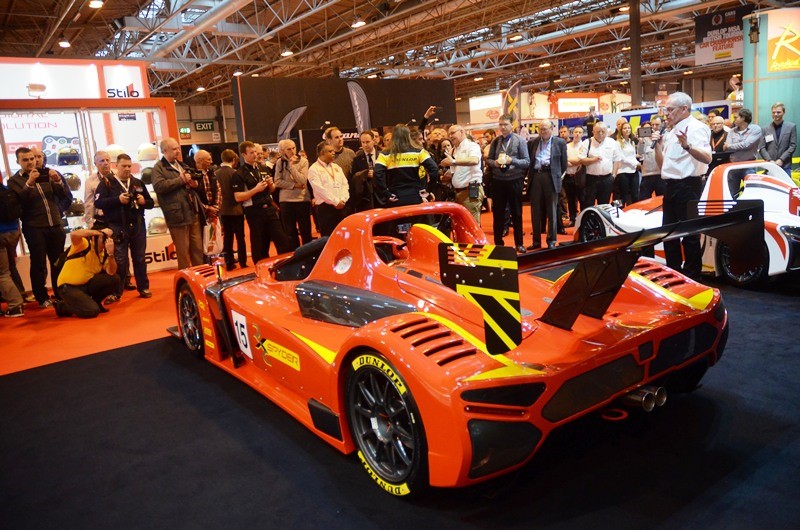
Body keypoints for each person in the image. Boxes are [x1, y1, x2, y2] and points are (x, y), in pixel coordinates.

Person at [652, 91, 711, 281]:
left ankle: (693, 277)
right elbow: (663, 165)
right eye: (665, 110)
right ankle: (674, 274)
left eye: (670, 110)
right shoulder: (670, 132)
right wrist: (657, 146)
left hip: (688, 186)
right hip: (670, 186)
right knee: (669, 234)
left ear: (684, 109)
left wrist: (687, 146)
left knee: (690, 235)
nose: (666, 114)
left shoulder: (697, 128)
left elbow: (707, 158)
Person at [7, 147, 68, 308]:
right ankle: (41, 297)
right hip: (34, 227)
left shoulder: (46, 173)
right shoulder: (14, 181)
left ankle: (60, 294)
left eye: (32, 159)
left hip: (55, 224)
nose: (30, 162)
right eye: (25, 160)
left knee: (58, 262)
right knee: (38, 263)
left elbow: (63, 195)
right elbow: (19, 203)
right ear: (18, 162)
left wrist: (58, 181)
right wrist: (29, 184)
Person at [95, 153, 154, 301]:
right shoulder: (107, 183)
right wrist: (117, 200)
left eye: (129, 166)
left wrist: (143, 202)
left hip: (137, 225)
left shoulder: (137, 183)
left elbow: (151, 203)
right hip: (117, 226)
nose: (127, 169)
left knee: (140, 258)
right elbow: (98, 203)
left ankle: (143, 287)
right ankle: (116, 292)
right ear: (116, 166)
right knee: (120, 261)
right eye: (124, 166)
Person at [232, 141, 292, 263]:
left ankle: (286, 266)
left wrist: (270, 184)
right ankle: (261, 268)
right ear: (244, 155)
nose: (255, 155)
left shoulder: (263, 168)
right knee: (259, 245)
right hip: (254, 211)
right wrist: (255, 189)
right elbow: (238, 197)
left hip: (269, 208)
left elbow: (272, 189)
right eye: (251, 153)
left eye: (256, 152)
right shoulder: (239, 173)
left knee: (282, 240)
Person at [150, 137, 205, 269]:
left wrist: (194, 184)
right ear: (164, 151)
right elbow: (159, 187)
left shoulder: (182, 165)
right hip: (177, 216)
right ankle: (185, 279)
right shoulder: (158, 168)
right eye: (174, 149)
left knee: (197, 250)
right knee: (183, 253)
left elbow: (193, 183)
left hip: (192, 211)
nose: (178, 151)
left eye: (178, 148)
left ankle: (200, 275)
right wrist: (180, 180)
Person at [487, 115, 530, 252]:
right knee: (498, 214)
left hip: (514, 180)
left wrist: (512, 161)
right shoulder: (495, 141)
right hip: (498, 181)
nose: (502, 127)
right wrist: (495, 163)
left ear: (512, 125)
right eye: (500, 124)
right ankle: (498, 243)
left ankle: (519, 243)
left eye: (505, 124)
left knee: (517, 213)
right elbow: (489, 160)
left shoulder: (520, 141)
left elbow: (526, 162)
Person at [55, 228, 120, 318]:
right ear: (93, 238)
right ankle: (62, 306)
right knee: (92, 311)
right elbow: (74, 234)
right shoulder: (84, 244)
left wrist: (111, 255)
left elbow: (111, 272)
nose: (106, 240)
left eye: (108, 238)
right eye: (104, 238)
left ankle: (96, 302)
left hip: (86, 285)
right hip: (68, 287)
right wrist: (99, 232)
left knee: (114, 279)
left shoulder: (104, 254)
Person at [527, 121, 568, 249]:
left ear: (551, 129)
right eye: (540, 129)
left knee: (552, 211)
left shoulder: (560, 143)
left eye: (545, 129)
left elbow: (564, 164)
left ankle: (551, 241)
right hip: (536, 176)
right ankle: (536, 241)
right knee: (535, 211)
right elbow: (529, 161)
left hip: (551, 177)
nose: (543, 131)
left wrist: (556, 175)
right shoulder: (532, 143)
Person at [440, 124, 483, 223]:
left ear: (462, 132)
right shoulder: (455, 149)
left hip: (471, 189)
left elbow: (474, 160)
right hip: (458, 192)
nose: (450, 136)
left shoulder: (472, 146)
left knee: (471, 223)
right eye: (449, 134)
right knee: (462, 224)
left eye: (453, 133)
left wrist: (453, 162)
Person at [273, 139, 312, 249]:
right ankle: (294, 255)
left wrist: (291, 167)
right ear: (282, 151)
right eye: (289, 149)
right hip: (286, 201)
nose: (292, 151)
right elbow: (277, 182)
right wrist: (294, 185)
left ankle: (308, 254)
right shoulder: (279, 162)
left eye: (294, 148)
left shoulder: (303, 161)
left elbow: (302, 180)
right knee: (290, 233)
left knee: (306, 231)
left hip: (302, 200)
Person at [307, 142, 349, 236]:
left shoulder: (337, 167)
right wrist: (335, 202)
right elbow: (320, 190)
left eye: (333, 151)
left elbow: (345, 184)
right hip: (326, 208)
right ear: (322, 153)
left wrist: (343, 199)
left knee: (344, 236)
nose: (334, 153)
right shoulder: (314, 169)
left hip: (342, 206)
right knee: (328, 237)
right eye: (330, 151)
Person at [216, 148, 247, 270]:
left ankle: (229, 262)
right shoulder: (235, 173)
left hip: (223, 210)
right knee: (240, 237)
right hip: (236, 209)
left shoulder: (216, 173)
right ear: (234, 159)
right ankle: (243, 261)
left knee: (227, 237)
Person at [724, 108, 762, 197]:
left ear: (743, 118)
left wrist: (730, 146)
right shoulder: (731, 131)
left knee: (751, 194)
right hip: (733, 166)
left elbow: (747, 145)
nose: (734, 120)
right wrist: (731, 146)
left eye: (736, 117)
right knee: (732, 194)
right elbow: (727, 149)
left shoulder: (755, 129)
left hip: (749, 166)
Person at [0, 169, 24, 317]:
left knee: (3, 273)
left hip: (1, 234)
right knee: (10, 267)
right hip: (13, 232)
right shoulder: (7, 190)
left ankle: (15, 305)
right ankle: (20, 294)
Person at [580, 122, 617, 209]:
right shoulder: (587, 142)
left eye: (603, 131)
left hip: (607, 179)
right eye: (598, 131)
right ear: (593, 132)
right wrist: (594, 159)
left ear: (607, 132)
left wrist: (613, 175)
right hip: (591, 179)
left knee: (604, 205)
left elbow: (617, 160)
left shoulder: (612, 142)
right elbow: (582, 160)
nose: (600, 134)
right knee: (588, 204)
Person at [758, 102, 797, 176]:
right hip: (770, 166)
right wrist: (769, 160)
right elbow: (762, 147)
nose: (776, 114)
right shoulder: (765, 129)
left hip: (785, 165)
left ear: (784, 112)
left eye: (778, 112)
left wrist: (781, 159)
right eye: (773, 112)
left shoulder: (791, 127)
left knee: (785, 184)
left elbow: (792, 146)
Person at [350, 131, 380, 213]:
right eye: (363, 142)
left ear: (373, 140)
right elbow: (354, 178)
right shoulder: (357, 159)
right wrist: (363, 175)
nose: (365, 145)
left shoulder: (382, 156)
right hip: (364, 200)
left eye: (367, 142)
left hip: (381, 197)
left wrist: (375, 174)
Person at [612, 122, 640, 207]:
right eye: (625, 128)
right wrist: (635, 163)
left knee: (634, 195)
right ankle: (617, 211)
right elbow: (621, 158)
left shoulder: (632, 142)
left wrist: (637, 163)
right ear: (621, 130)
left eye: (628, 128)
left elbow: (633, 156)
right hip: (622, 172)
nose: (627, 130)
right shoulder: (617, 143)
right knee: (621, 196)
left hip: (633, 171)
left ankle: (633, 211)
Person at [639, 116, 666, 201]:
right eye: (652, 125)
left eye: (657, 124)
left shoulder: (666, 137)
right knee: (643, 201)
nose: (654, 127)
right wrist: (640, 142)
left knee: (662, 200)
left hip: (661, 175)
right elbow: (640, 154)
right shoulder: (644, 139)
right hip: (647, 175)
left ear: (662, 125)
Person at [84, 151, 113, 229]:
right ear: (95, 163)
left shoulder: (117, 176)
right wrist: (90, 223)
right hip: (101, 219)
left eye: (107, 160)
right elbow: (89, 203)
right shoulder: (90, 181)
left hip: (118, 218)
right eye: (102, 161)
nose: (105, 163)